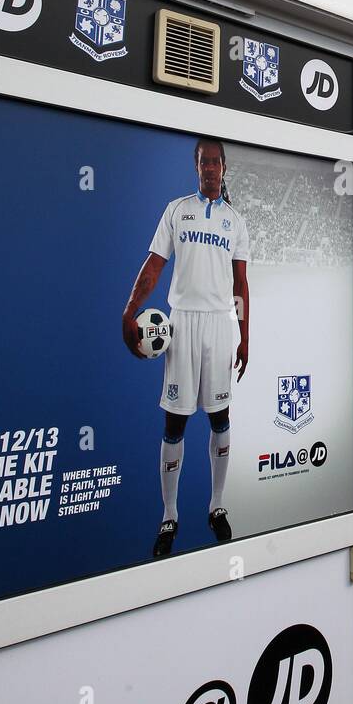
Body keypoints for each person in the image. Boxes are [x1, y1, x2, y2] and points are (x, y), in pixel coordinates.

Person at [123, 137, 250, 558]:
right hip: (181, 323)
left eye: (215, 162)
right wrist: (131, 310)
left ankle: (216, 505)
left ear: (224, 167)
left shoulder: (235, 221)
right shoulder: (177, 211)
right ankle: (170, 515)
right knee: (175, 422)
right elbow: (155, 265)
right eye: (203, 162)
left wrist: (245, 333)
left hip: (218, 325)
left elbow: (240, 284)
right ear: (195, 167)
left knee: (221, 416)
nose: (210, 168)